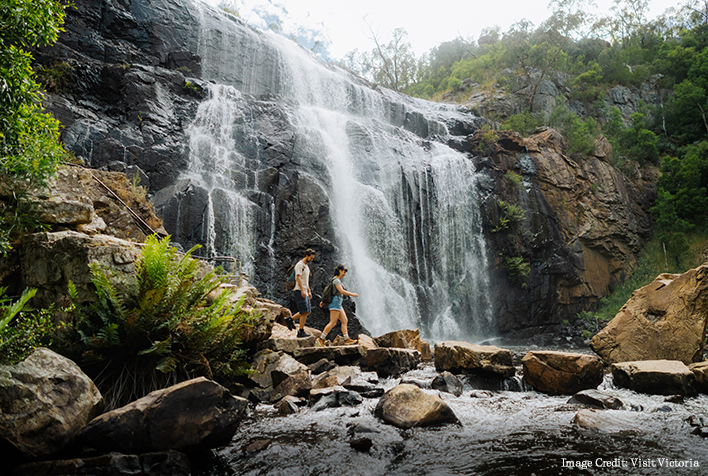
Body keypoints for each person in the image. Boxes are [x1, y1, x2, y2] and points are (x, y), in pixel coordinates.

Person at [318, 263, 359, 346]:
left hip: (338, 304)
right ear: (339, 271)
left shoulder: (335, 280)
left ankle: (346, 339)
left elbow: (329, 291)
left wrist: (323, 301)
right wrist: (352, 294)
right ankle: (321, 339)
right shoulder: (336, 280)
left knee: (345, 320)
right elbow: (341, 291)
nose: (344, 274)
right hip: (335, 303)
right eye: (344, 272)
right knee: (333, 322)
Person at [285, 249, 315, 338]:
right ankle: (300, 331)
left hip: (305, 291)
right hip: (298, 290)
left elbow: (306, 281)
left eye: (313, 258)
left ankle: (290, 320)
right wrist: (302, 290)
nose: (312, 259)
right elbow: (298, 278)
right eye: (311, 258)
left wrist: (308, 291)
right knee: (304, 310)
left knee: (307, 311)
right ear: (306, 255)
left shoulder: (306, 266)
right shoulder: (299, 265)